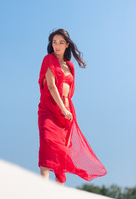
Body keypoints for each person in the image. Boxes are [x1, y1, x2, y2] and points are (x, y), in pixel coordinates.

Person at [37, 29, 107, 185]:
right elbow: (52, 86)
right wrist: (62, 108)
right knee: (47, 143)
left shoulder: (70, 66)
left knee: (62, 151)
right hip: (49, 110)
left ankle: (58, 191)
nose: (57, 45)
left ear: (67, 45)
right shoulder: (48, 59)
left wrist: (65, 110)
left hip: (67, 114)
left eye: (61, 42)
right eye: (54, 42)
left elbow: (70, 91)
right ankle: (42, 187)